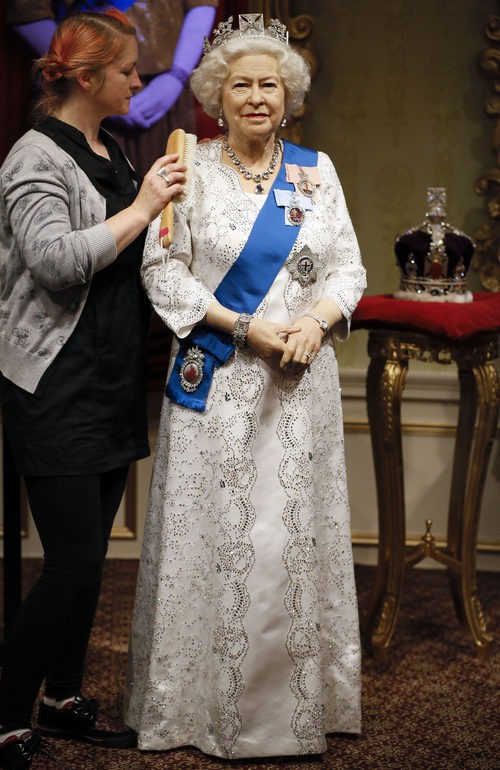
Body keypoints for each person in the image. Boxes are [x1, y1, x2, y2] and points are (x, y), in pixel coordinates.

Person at [124, 13, 367, 760]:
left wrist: (317, 322)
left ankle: (292, 712)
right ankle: (195, 711)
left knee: (285, 539)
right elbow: (160, 269)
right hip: (219, 382)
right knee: (218, 541)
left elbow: (347, 268)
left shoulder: (314, 172)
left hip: (298, 386)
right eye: (240, 85)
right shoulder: (184, 167)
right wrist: (244, 327)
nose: (256, 97)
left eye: (270, 84)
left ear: (288, 94)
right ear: (215, 96)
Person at [0, 9, 186, 770]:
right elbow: (51, 261)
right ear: (84, 77)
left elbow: (127, 254)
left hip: (110, 377)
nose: (140, 83)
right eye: (127, 72)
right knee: (72, 560)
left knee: (91, 559)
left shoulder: (111, 147)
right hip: (55, 381)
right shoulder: (32, 157)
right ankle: (7, 713)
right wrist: (142, 209)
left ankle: (63, 697)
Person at [7, 0, 219, 175]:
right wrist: (86, 73)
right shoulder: (37, 156)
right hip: (87, 85)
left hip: (165, 87)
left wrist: (176, 76)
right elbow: (28, 10)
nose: (135, 83)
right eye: (128, 73)